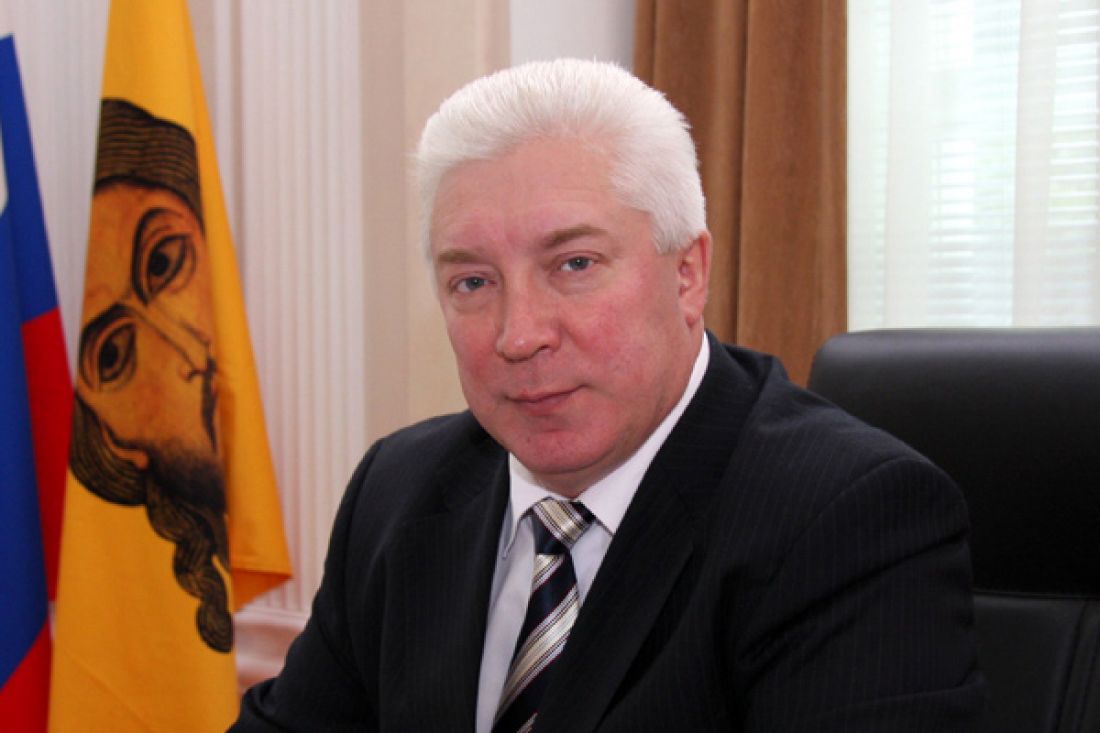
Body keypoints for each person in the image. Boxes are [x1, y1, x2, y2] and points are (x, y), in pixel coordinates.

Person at [234, 59, 983, 731]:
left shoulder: (847, 518)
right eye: (473, 282)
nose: (519, 335)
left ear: (686, 274)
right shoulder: (398, 489)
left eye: (575, 265)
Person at [71, 98, 231, 653]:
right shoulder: (387, 493)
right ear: (113, 442)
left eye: (164, 263)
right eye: (115, 354)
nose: (189, 352)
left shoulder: (382, 490)